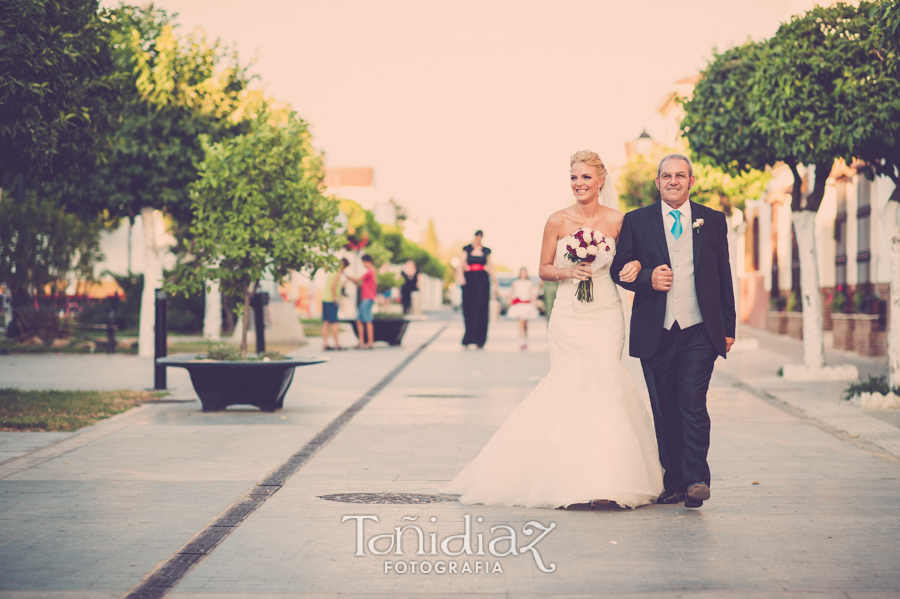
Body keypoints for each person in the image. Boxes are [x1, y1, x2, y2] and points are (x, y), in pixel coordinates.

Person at [445, 151, 663, 509]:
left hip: (605, 311)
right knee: (569, 385)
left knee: (605, 382)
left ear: (601, 181)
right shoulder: (557, 221)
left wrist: (635, 263)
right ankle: (569, 478)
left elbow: (629, 260)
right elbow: (543, 268)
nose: (579, 184)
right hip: (568, 313)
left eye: (585, 178)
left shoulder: (619, 221)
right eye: (574, 178)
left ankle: (608, 479)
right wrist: (568, 271)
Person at [611, 153, 736, 509]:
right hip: (657, 329)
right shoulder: (636, 220)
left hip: (700, 328)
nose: (673, 181)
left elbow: (723, 273)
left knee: (692, 404)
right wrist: (648, 277)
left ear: (691, 181)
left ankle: (696, 479)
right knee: (664, 408)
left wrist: (728, 325)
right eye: (667, 176)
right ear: (657, 182)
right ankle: (675, 481)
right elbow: (619, 268)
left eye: (680, 176)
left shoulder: (712, 220)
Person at [456, 230, 496, 348]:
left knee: (482, 308)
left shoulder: (485, 250)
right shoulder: (467, 249)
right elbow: (461, 265)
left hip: (482, 281)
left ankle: (480, 338)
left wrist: (495, 282)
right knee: (469, 309)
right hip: (469, 281)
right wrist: (461, 278)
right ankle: (469, 337)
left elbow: (490, 266)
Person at [348, 254, 377, 350]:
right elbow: (360, 284)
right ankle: (361, 342)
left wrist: (348, 276)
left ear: (368, 262)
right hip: (365, 298)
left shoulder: (370, 271)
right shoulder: (370, 272)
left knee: (367, 320)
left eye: (364, 263)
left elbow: (357, 279)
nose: (363, 265)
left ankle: (370, 342)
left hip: (367, 299)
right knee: (359, 320)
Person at [507, 267, 539, 349]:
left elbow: (531, 294)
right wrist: (510, 300)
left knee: (525, 324)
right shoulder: (516, 283)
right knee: (521, 323)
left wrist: (534, 302)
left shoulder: (529, 283)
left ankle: (525, 338)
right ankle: (521, 340)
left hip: (527, 305)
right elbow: (511, 293)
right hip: (519, 305)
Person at [321, 258, 349, 351]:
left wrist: (345, 282)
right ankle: (337, 344)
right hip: (331, 300)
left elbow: (337, 286)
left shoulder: (332, 271)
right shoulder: (338, 273)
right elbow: (333, 287)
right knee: (335, 322)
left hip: (325, 298)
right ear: (344, 266)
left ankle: (325, 343)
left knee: (326, 322)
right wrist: (335, 298)